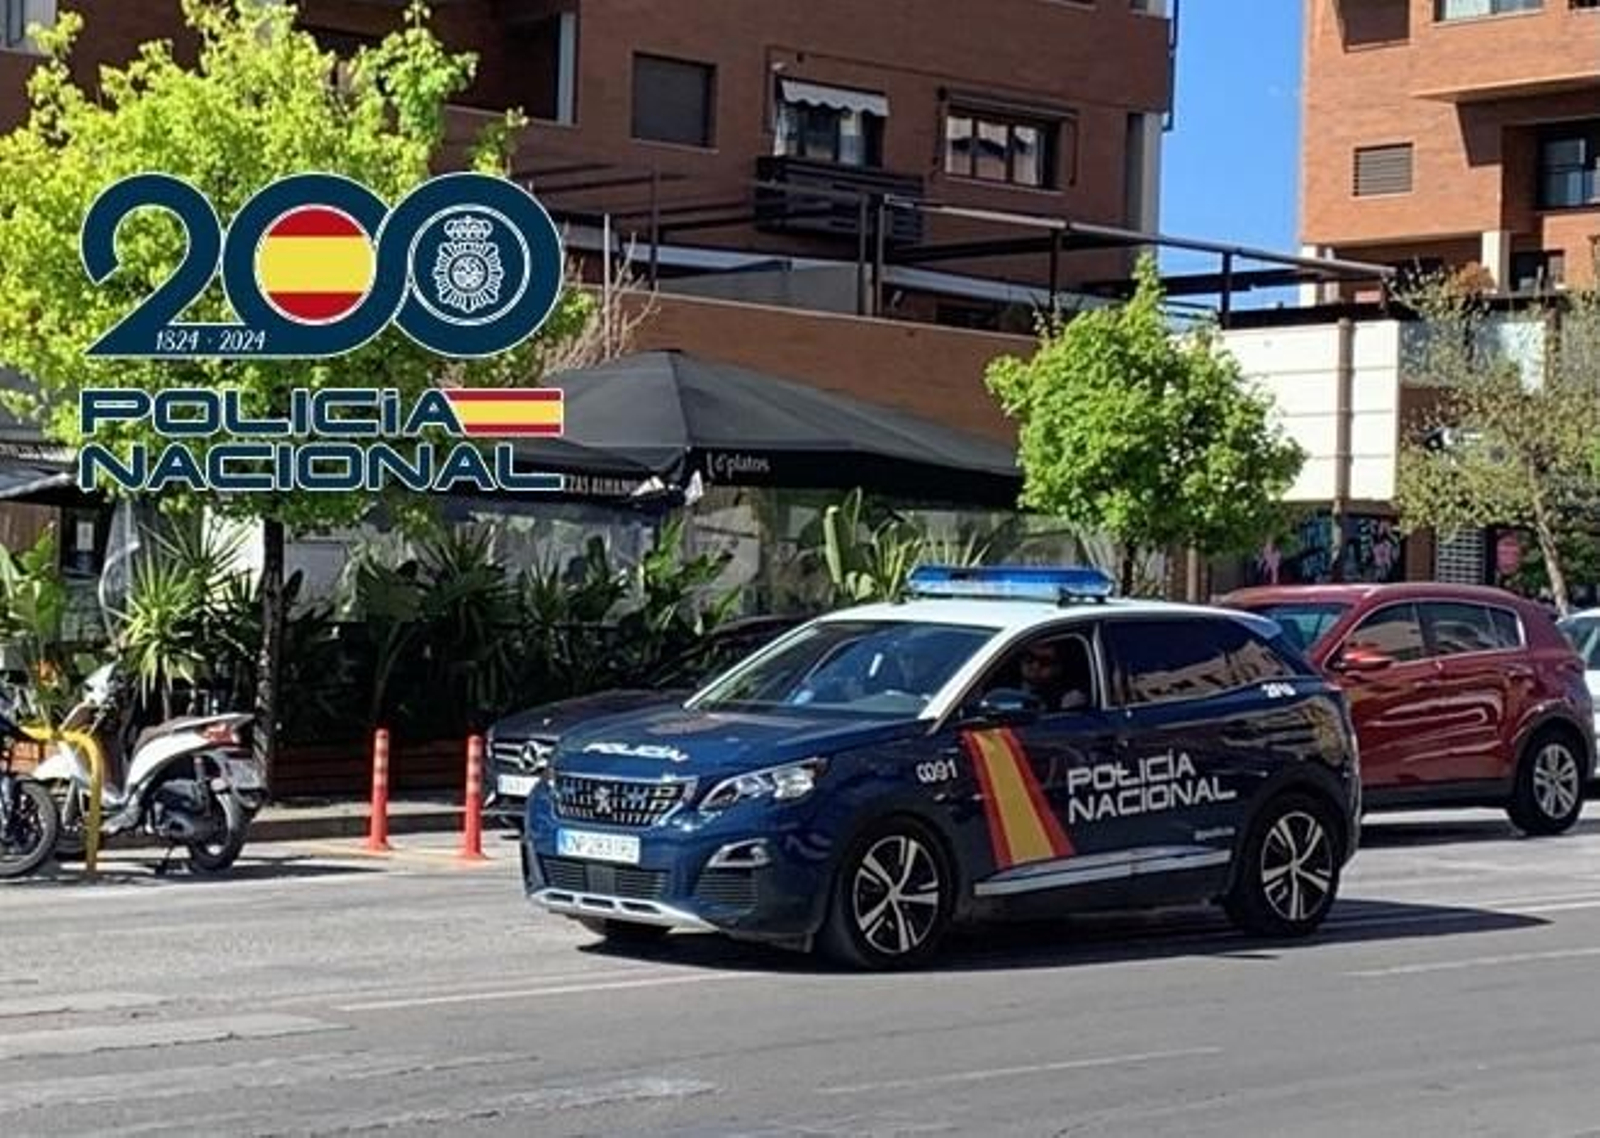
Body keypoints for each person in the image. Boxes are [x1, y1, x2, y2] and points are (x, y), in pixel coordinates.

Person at [1018, 641, 1089, 711]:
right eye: (1029, 658)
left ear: (1059, 668)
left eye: (1045, 661)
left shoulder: (1066, 697)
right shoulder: (1009, 684)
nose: (1035, 666)